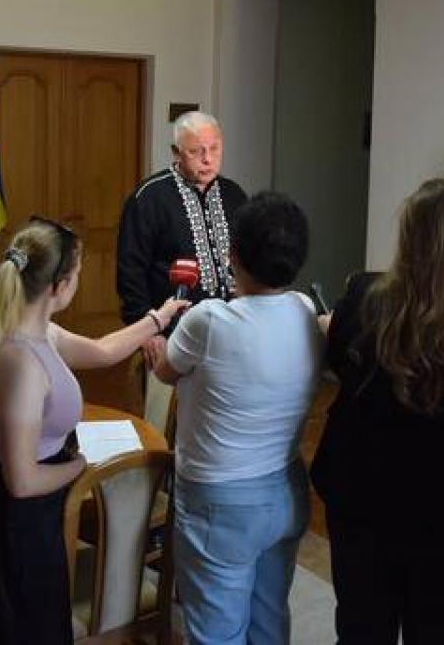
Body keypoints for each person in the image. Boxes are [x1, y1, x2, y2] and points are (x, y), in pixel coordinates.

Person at [310, 177, 444, 644]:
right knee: (441, 631)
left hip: (366, 493)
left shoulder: (364, 299)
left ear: (410, 236)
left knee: (362, 628)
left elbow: (341, 364)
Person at [0, 217, 188, 645]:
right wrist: (82, 466)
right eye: (79, 272)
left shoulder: (40, 332)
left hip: (40, 513)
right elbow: (22, 481)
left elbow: (103, 351)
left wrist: (159, 318)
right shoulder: (22, 363)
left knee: (43, 623)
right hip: (21, 521)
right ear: (59, 286)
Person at [148, 192, 321, 645]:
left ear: (234, 256)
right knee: (269, 621)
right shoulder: (305, 310)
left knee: (217, 633)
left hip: (219, 501)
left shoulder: (208, 320)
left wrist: (162, 328)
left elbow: (165, 371)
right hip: (285, 491)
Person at [117, 111, 248, 369]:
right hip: (171, 335)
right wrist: (146, 330)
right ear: (176, 153)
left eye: (214, 149)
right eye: (196, 151)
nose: (207, 159)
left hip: (232, 332)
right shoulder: (148, 198)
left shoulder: (235, 195)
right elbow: (130, 272)